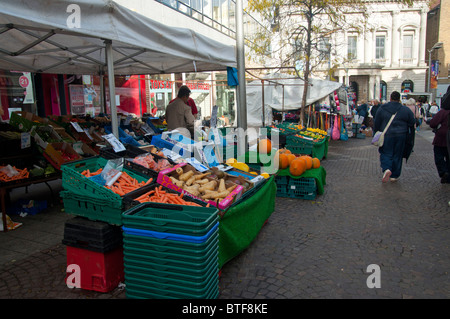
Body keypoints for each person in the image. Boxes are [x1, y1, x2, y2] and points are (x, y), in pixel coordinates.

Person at [373, 91, 415, 183]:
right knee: (397, 154)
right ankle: (395, 175)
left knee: (385, 153)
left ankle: (387, 168)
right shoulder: (405, 109)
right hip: (401, 135)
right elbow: (412, 122)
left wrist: (376, 132)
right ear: (399, 99)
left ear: (390, 98)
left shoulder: (382, 108)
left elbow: (377, 122)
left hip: (387, 135)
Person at [429, 101, 450, 183]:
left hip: (441, 138)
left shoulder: (442, 112)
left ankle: (444, 172)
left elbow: (433, 123)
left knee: (439, 157)